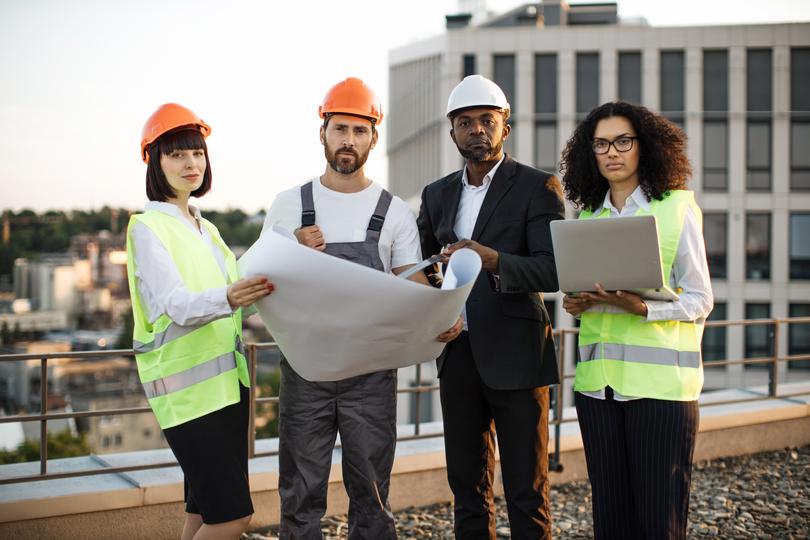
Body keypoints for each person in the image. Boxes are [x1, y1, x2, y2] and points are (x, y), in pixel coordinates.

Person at [261, 77, 462, 540]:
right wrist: (292, 250)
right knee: (299, 492)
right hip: (306, 371)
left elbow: (409, 284)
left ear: (373, 137)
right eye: (339, 129)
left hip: (370, 376)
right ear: (322, 132)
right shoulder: (290, 206)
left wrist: (441, 314)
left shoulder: (392, 212)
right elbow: (260, 284)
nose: (348, 140)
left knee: (372, 494)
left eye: (359, 130)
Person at [416, 74, 565, 539]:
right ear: (453, 131)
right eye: (465, 122)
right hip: (457, 353)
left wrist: (493, 259)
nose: (477, 129)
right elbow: (421, 266)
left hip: (518, 356)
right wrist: (434, 308)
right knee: (466, 485)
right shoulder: (436, 194)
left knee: (527, 488)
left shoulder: (539, 187)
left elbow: (554, 270)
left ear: (505, 126)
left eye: (487, 120)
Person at [559, 101, 714, 540]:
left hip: (661, 394)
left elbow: (701, 298)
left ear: (643, 146)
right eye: (601, 144)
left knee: (658, 522)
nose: (612, 152)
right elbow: (586, 294)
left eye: (622, 141)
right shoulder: (589, 216)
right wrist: (580, 302)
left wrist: (644, 308)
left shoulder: (677, 208)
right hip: (597, 390)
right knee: (611, 521)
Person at [126, 103, 273, 540]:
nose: (192, 163)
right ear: (155, 162)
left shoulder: (206, 229)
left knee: (202, 510)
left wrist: (280, 270)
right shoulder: (148, 227)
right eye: (177, 154)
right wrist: (229, 296)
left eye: (198, 153)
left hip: (228, 387)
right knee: (232, 516)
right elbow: (177, 304)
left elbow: (234, 300)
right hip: (188, 397)